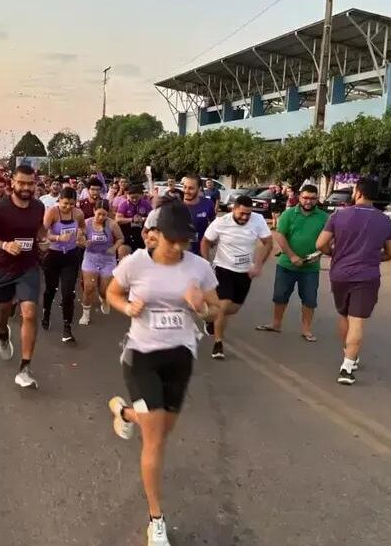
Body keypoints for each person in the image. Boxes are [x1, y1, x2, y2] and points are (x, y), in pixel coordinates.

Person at [105, 200, 221, 546]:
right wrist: (128, 306)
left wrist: (201, 306)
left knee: (163, 428)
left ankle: (126, 412)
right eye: (171, 240)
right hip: (141, 355)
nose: (177, 247)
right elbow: (111, 292)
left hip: (180, 355)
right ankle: (156, 519)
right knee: (154, 437)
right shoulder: (135, 263)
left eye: (182, 241)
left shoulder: (199, 268)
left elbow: (216, 313)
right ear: (154, 235)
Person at [316, 178, 391, 386]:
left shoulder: (339, 215)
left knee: (344, 315)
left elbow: (321, 244)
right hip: (366, 276)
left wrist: (335, 253)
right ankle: (347, 366)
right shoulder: (385, 221)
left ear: (358, 193)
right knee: (357, 321)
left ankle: (348, 353)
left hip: (340, 274)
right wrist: (372, 256)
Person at [0, 164, 48, 389]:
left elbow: (39, 232)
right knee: (4, 310)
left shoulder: (38, 207)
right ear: (13, 184)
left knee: (29, 313)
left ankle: (25, 367)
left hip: (28, 268)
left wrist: (45, 241)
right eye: (22, 183)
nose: (26, 187)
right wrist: (4, 244)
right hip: (3, 268)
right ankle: (2, 334)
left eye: (31, 183)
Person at [201, 194, 273, 359]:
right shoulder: (221, 222)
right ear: (233, 208)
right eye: (241, 213)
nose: (245, 217)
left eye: (248, 214)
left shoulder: (258, 219)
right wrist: (206, 264)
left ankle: (211, 319)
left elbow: (268, 242)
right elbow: (205, 241)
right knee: (223, 306)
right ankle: (218, 343)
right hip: (223, 269)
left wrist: (258, 265)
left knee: (233, 309)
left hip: (245, 272)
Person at [255, 184, 327, 342]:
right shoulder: (288, 214)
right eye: (305, 197)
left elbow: (328, 239)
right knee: (280, 295)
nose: (308, 201)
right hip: (287, 264)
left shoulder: (323, 217)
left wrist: (319, 253)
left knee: (309, 299)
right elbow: (280, 236)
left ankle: (306, 330)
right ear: (300, 197)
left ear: (317, 200)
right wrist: (292, 256)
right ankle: (276, 324)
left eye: (312, 198)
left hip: (310, 267)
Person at [41, 187, 86, 342]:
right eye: (65, 203)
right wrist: (58, 238)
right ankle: (46, 312)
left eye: (71, 204)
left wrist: (80, 234)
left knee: (68, 293)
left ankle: (67, 327)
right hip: (53, 256)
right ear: (59, 200)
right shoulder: (53, 212)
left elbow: (82, 227)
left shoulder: (78, 213)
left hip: (71, 256)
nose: (68, 207)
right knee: (51, 289)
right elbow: (44, 232)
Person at [79, 198, 124, 325]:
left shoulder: (112, 224)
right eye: (99, 213)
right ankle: (85, 314)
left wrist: (114, 248)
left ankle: (104, 299)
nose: (101, 217)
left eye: (104, 214)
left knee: (104, 289)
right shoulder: (86, 223)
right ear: (94, 211)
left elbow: (121, 238)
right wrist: (83, 242)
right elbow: (79, 240)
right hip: (91, 257)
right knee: (89, 288)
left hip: (107, 259)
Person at [153, 174, 215, 256]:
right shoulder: (174, 204)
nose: (186, 191)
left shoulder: (208, 204)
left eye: (191, 188)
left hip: (199, 253)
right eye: (185, 187)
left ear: (199, 188)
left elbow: (213, 224)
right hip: (176, 254)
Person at [116, 185, 152, 258]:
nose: (134, 200)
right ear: (128, 196)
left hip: (142, 234)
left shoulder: (146, 204)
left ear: (141, 195)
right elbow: (118, 219)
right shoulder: (124, 205)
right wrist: (131, 219)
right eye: (132, 197)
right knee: (123, 252)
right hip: (127, 234)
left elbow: (152, 217)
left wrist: (143, 219)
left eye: (137, 197)